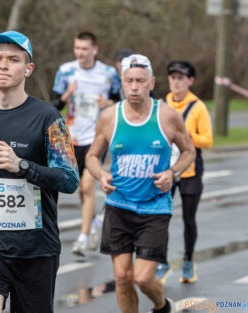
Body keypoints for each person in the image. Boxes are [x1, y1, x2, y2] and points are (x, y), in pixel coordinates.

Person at [0, 30, 79, 313]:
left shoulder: (48, 118)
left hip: (36, 250)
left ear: (28, 68)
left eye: (13, 59)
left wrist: (22, 166)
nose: (3, 64)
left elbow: (70, 180)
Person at [85, 54, 196, 313]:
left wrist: (173, 172)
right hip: (118, 206)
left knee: (143, 277)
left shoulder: (167, 116)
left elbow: (189, 151)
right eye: (129, 81)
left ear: (151, 82)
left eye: (140, 81)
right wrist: (101, 174)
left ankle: (162, 305)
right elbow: (91, 156)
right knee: (122, 277)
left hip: (154, 208)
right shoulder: (110, 117)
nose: (134, 86)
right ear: (122, 83)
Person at [52, 31, 121, 256]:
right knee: (81, 190)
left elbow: (121, 103)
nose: (80, 53)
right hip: (72, 137)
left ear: (95, 50)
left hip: (96, 137)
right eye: (77, 48)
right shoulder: (66, 71)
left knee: (87, 186)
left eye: (85, 49)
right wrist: (67, 94)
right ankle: (92, 224)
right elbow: (54, 106)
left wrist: (109, 102)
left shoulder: (108, 74)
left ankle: (82, 239)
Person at [155, 61, 213, 284]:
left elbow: (207, 141)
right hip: (165, 169)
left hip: (190, 171)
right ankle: (161, 261)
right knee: (161, 217)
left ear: (190, 81)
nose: (176, 82)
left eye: (181, 78)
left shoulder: (198, 107)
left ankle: (188, 260)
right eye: (173, 77)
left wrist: (187, 135)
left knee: (189, 219)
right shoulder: (161, 104)